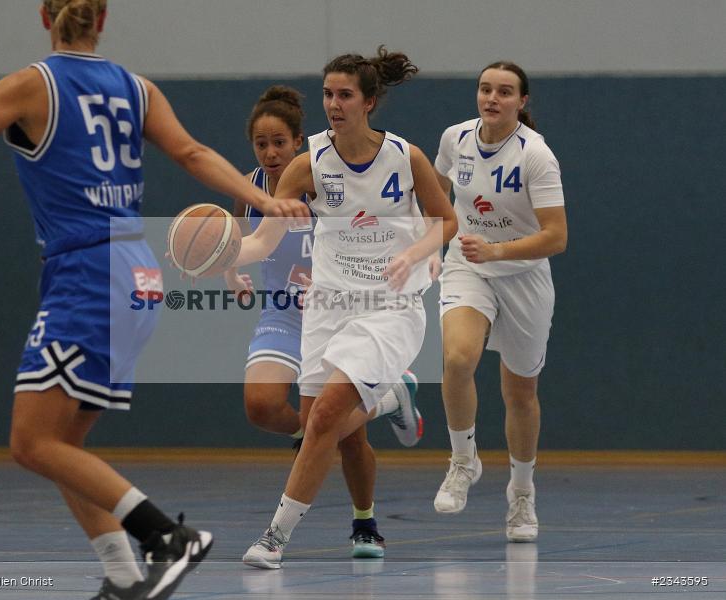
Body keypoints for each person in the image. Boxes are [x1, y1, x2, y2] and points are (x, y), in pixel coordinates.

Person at [0, 1, 307, 599]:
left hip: (88, 270)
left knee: (30, 442)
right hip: (137, 272)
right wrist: (266, 200)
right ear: (102, 20)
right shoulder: (136, 88)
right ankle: (122, 571)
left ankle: (162, 538)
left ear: (46, 16)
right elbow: (194, 154)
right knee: (61, 445)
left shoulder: (31, 86)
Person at [230, 47, 457, 569]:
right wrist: (219, 253)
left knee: (330, 413)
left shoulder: (406, 157)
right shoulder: (308, 163)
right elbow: (263, 241)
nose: (334, 104)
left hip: (391, 305)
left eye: (345, 95)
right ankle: (389, 411)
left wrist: (415, 254)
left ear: (369, 101)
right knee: (324, 424)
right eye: (328, 94)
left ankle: (274, 537)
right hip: (329, 307)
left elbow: (446, 221)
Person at [430, 61, 567, 543]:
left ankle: (522, 494)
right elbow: (435, 194)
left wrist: (499, 250)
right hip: (468, 265)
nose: (492, 98)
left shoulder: (536, 156)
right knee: (456, 358)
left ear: (521, 102)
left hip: (525, 275)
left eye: (504, 92)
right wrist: (429, 245)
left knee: (520, 393)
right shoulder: (455, 139)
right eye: (485, 89)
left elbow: (557, 236)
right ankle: (463, 460)